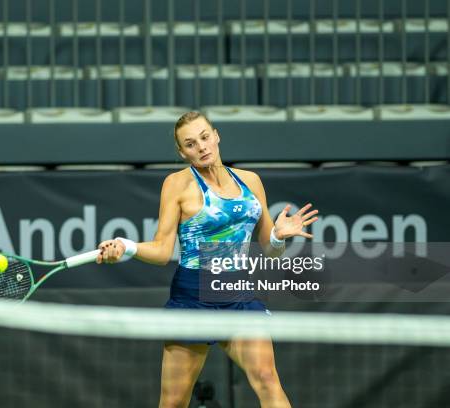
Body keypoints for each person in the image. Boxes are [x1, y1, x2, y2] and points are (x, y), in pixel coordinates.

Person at [96, 111, 319, 408]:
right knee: (173, 402)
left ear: (216, 135)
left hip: (238, 293)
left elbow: (270, 250)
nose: (200, 147)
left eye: (204, 137)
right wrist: (126, 246)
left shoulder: (251, 181)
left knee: (267, 378)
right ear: (182, 152)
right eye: (190, 144)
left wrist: (279, 237)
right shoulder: (177, 185)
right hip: (193, 296)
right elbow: (163, 251)